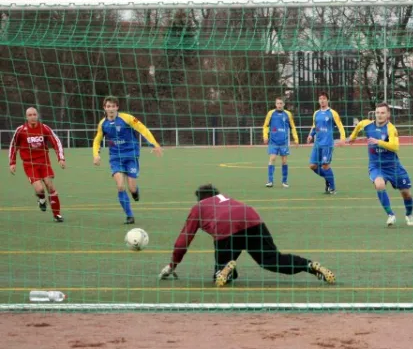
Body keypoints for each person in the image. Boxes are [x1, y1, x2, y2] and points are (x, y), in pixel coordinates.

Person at [158, 184, 336, 286]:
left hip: (225, 228)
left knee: (219, 276)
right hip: (251, 218)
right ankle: (310, 266)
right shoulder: (226, 198)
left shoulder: (198, 207)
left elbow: (183, 241)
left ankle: (227, 270)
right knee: (272, 259)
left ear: (200, 198)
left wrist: (172, 265)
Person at [92, 96, 163, 224]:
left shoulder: (127, 118)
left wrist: (154, 144)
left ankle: (135, 192)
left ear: (117, 107)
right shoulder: (103, 124)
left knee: (132, 187)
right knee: (120, 186)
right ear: (104, 108)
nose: (111, 109)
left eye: (113, 106)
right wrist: (96, 155)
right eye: (108, 106)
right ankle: (129, 216)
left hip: (131, 155)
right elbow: (97, 140)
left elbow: (142, 129)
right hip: (115, 158)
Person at [347, 103, 413, 227]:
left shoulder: (391, 129)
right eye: (377, 112)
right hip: (376, 166)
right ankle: (391, 215)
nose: (379, 115)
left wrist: (378, 142)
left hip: (393, 166)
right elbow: (358, 127)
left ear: (388, 114)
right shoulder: (367, 124)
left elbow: (395, 147)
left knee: (406, 193)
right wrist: (352, 137)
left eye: (383, 113)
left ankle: (409, 214)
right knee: (379, 185)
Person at [8, 107, 66, 222]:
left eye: (34, 114)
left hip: (44, 162)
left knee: (50, 185)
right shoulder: (21, 130)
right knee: (39, 189)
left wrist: (61, 158)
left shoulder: (44, 128)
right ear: (26, 117)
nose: (32, 117)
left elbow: (56, 141)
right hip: (30, 164)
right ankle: (41, 199)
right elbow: (13, 146)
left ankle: (57, 214)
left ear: (37, 115)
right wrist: (12, 162)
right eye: (30, 115)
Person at [307, 92, 346, 194]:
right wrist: (311, 135)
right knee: (312, 166)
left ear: (327, 100)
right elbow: (314, 126)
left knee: (325, 166)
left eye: (324, 98)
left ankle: (332, 188)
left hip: (327, 144)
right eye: (320, 98)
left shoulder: (332, 113)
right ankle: (329, 179)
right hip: (317, 144)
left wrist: (342, 138)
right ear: (318, 101)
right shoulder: (316, 113)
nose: (322, 100)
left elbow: (340, 126)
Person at [262, 97, 299, 188]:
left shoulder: (288, 114)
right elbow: (265, 126)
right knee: (272, 158)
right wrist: (265, 136)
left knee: (284, 161)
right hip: (273, 141)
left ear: (283, 104)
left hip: (284, 142)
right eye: (278, 103)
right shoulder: (270, 113)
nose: (279, 105)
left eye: (281, 103)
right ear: (275, 104)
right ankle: (270, 181)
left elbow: (293, 127)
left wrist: (296, 139)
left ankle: (284, 181)